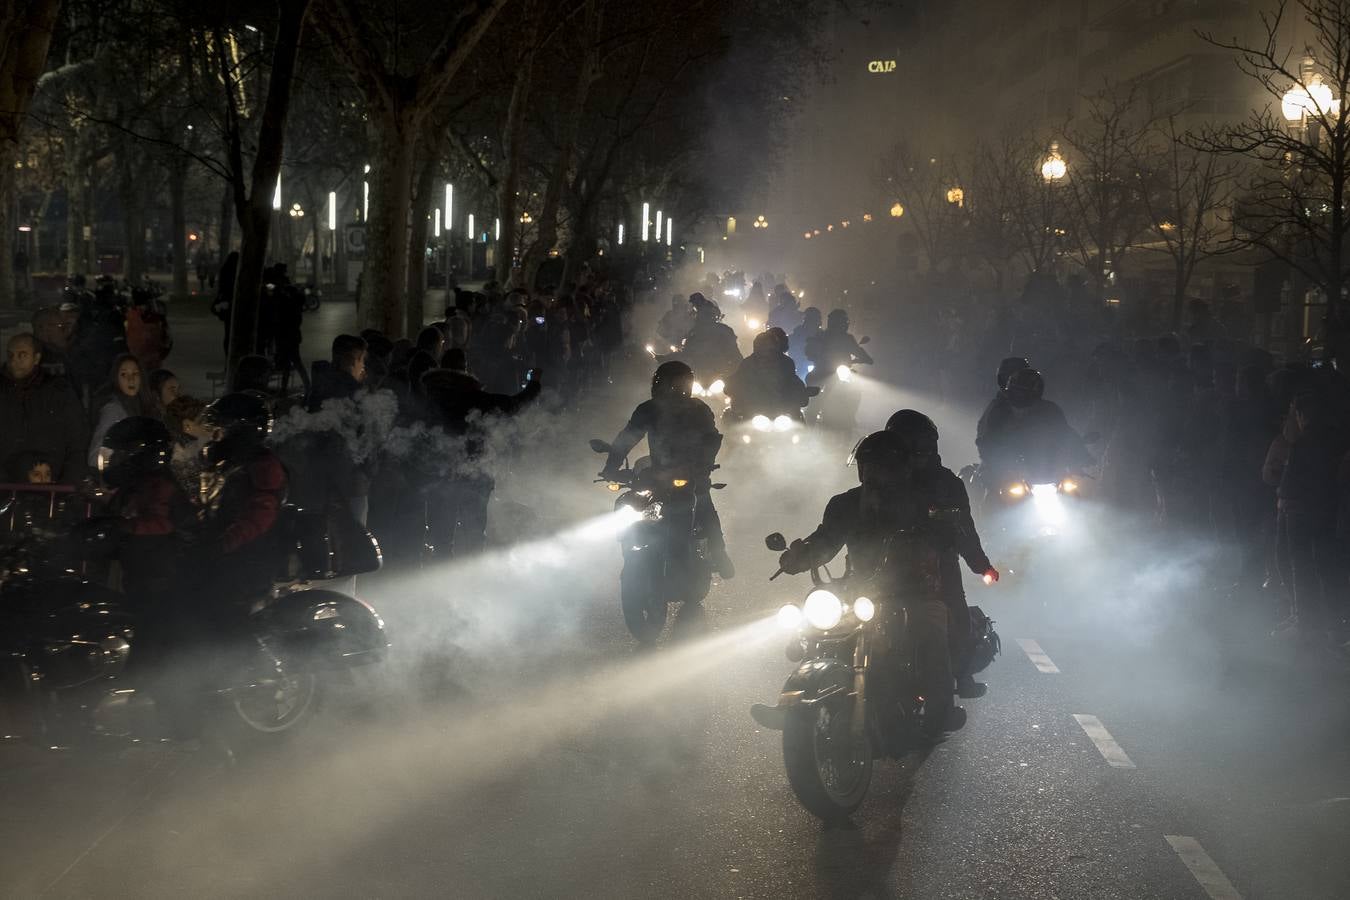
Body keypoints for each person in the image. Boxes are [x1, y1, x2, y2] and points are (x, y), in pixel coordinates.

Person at [775, 430, 965, 740]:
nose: (875, 473)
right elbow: (827, 538)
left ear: (902, 468)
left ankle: (940, 712)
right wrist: (799, 557)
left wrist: (938, 535)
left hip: (913, 588)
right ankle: (806, 696)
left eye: (884, 466)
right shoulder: (845, 504)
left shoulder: (921, 503)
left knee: (931, 632)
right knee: (817, 618)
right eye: (869, 465)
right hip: (860, 588)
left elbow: (944, 533)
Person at [886, 409, 1000, 698]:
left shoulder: (947, 484)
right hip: (882, 568)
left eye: (922, 443)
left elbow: (964, 528)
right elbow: (846, 521)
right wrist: (808, 551)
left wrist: (981, 565)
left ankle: (961, 676)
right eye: (909, 442)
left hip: (935, 567)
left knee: (956, 616)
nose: (917, 450)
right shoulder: (879, 481)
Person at [599, 360, 734, 578]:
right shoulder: (648, 409)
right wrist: (611, 468)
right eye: (672, 383)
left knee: (703, 504)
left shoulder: (699, 409)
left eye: (680, 383)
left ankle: (719, 553)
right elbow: (627, 438)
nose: (676, 389)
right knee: (630, 500)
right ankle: (633, 545)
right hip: (658, 472)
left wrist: (703, 464)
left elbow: (711, 439)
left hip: (691, 473)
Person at [421, 351, 543, 557]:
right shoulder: (473, 397)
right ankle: (472, 575)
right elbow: (514, 405)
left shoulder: (426, 396)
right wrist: (534, 384)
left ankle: (441, 576)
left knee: (442, 532)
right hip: (475, 473)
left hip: (440, 473)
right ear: (465, 368)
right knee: (474, 530)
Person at [977, 368, 1090, 489]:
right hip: (1009, 470)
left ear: (1036, 393)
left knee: (1074, 491)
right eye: (1017, 392)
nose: (1020, 397)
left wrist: (1081, 455)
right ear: (1009, 391)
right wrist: (997, 462)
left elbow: (1065, 433)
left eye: (1025, 393)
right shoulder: (999, 411)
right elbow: (987, 438)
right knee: (992, 491)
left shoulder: (1050, 411)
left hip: (1046, 470)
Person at [0, 333, 87, 482]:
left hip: (51, 484)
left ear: (36, 358)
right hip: (6, 486)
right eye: (11, 355)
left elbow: (76, 439)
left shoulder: (58, 391)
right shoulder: (2, 391)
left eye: (22, 355)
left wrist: (68, 483)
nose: (15, 360)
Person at [725, 330, 810, 421]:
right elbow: (736, 380)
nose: (767, 351)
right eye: (763, 347)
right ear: (757, 347)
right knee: (734, 422)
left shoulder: (786, 363)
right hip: (754, 410)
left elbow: (793, 381)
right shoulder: (748, 363)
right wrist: (731, 387)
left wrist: (802, 392)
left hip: (782, 410)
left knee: (799, 421)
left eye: (771, 347)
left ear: (777, 347)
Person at [89, 354, 152, 468]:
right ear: (116, 379)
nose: (131, 379)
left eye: (135, 373)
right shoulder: (113, 410)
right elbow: (95, 458)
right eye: (124, 374)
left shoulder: (143, 407)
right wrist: (126, 455)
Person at [681, 297, 742, 382]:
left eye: (706, 315)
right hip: (698, 374)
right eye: (701, 315)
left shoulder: (724, 331)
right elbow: (685, 354)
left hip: (721, 374)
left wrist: (737, 370)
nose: (703, 318)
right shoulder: (693, 333)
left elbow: (735, 354)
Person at [805, 308, 873, 385]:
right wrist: (815, 356)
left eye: (842, 321)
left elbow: (860, 353)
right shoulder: (822, 336)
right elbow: (809, 351)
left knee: (854, 389)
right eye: (840, 321)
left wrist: (860, 359)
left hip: (840, 371)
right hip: (822, 370)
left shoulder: (846, 339)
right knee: (809, 382)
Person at [308, 334, 367, 410]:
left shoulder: (324, 378)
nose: (363, 365)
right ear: (347, 360)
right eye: (359, 359)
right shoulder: (343, 391)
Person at [789, 307, 823, 380]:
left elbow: (829, 347)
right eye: (811, 319)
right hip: (800, 362)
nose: (813, 322)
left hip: (818, 364)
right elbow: (791, 345)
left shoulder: (822, 334)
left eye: (815, 319)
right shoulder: (798, 332)